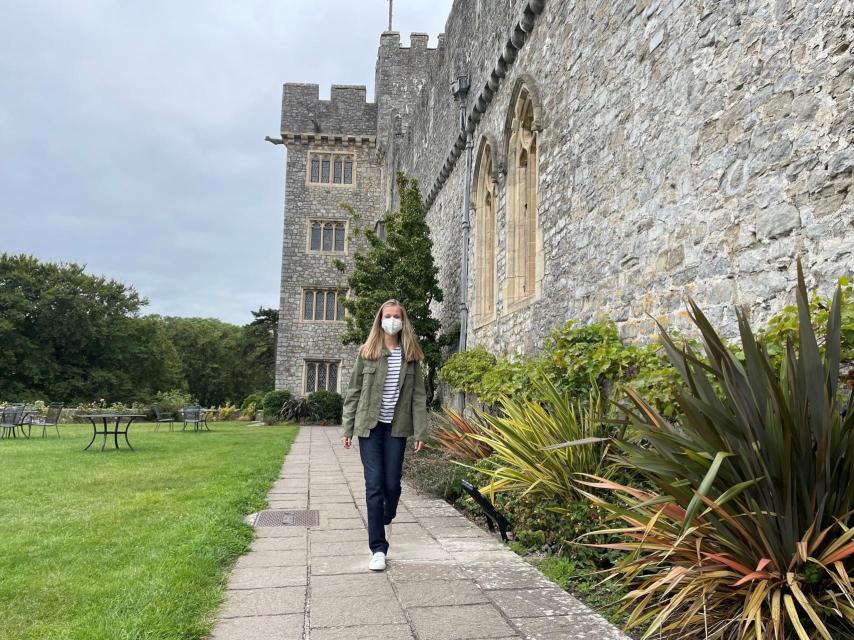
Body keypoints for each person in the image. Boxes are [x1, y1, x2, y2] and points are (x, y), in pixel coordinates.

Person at [341, 299, 428, 571]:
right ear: (380, 320)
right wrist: (347, 428)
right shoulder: (367, 352)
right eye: (387, 315)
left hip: (396, 427)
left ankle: (387, 518)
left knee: (392, 486)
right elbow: (354, 392)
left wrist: (420, 430)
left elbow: (418, 396)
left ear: (403, 321)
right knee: (374, 485)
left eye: (396, 316)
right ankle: (378, 548)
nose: (392, 320)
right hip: (370, 427)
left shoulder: (411, 355)